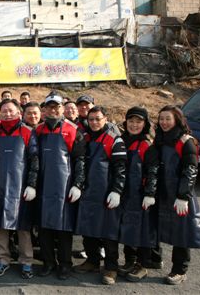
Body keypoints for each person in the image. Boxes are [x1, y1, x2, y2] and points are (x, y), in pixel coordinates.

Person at [34, 94, 86, 280]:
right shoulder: (38, 130)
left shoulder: (73, 130)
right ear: (45, 110)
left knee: (64, 228)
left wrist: (78, 184)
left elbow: (80, 160)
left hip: (64, 187)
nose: (53, 110)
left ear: (63, 109)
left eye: (57, 107)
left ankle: (65, 264)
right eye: (50, 107)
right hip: (42, 186)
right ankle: (48, 262)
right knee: (44, 227)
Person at [74, 106, 126, 286]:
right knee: (88, 228)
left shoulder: (114, 140)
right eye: (91, 119)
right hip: (88, 192)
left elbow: (121, 168)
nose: (94, 122)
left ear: (106, 119)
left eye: (98, 119)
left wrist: (117, 191)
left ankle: (111, 267)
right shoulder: (85, 137)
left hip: (107, 193)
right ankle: (92, 260)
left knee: (109, 232)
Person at [154, 105, 200, 285]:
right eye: (161, 118)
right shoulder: (160, 139)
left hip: (180, 194)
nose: (164, 122)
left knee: (181, 232)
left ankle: (179, 270)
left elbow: (190, 169)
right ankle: (154, 260)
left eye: (168, 118)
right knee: (157, 225)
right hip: (163, 192)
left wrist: (183, 195)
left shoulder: (186, 141)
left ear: (177, 119)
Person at [0, 99, 38, 279]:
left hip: (21, 187)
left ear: (19, 112)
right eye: (4, 111)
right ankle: (2, 260)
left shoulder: (27, 131)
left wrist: (32, 184)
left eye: (11, 110)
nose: (7, 114)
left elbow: (34, 159)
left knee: (23, 227)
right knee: (0, 226)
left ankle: (26, 261)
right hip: (0, 187)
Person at [117, 107, 159, 282]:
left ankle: (143, 265)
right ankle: (130, 260)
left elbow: (153, 171)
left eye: (139, 122)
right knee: (128, 226)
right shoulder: (123, 141)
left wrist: (150, 193)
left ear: (145, 124)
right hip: (126, 192)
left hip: (141, 195)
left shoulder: (147, 145)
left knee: (143, 230)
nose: (134, 125)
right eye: (131, 121)